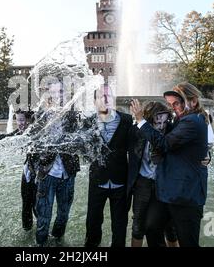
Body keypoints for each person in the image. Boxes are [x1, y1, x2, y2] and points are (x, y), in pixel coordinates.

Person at [130, 82, 209, 247]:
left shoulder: (192, 121)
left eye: (178, 103)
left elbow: (165, 144)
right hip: (170, 193)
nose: (174, 108)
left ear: (193, 101)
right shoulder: (183, 120)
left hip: (186, 195)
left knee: (187, 242)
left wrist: (140, 120)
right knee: (152, 227)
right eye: (172, 104)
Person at [28, 79, 81, 246]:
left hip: (68, 172)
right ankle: (41, 244)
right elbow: (32, 144)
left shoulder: (72, 115)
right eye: (53, 92)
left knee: (64, 214)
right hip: (47, 172)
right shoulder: (40, 116)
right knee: (44, 216)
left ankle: (58, 240)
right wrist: (33, 169)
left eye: (60, 92)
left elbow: (80, 139)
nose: (56, 96)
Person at [84, 84, 133, 247]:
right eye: (101, 97)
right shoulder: (87, 123)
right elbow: (81, 149)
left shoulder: (126, 120)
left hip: (120, 180)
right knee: (92, 222)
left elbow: (137, 149)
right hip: (97, 180)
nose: (105, 99)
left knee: (119, 225)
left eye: (108, 96)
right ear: (94, 101)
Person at [128, 101, 178, 247]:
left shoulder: (172, 130)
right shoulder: (137, 131)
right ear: (149, 120)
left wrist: (206, 156)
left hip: (164, 184)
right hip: (143, 183)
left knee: (170, 226)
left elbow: (187, 147)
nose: (162, 125)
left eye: (165, 120)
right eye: (158, 121)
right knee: (138, 225)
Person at [0, 109, 37, 231]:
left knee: (37, 205)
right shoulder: (20, 133)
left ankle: (42, 231)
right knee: (26, 203)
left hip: (39, 173)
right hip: (27, 171)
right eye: (17, 120)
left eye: (22, 120)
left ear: (29, 120)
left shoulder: (36, 133)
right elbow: (6, 137)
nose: (20, 123)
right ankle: (27, 230)